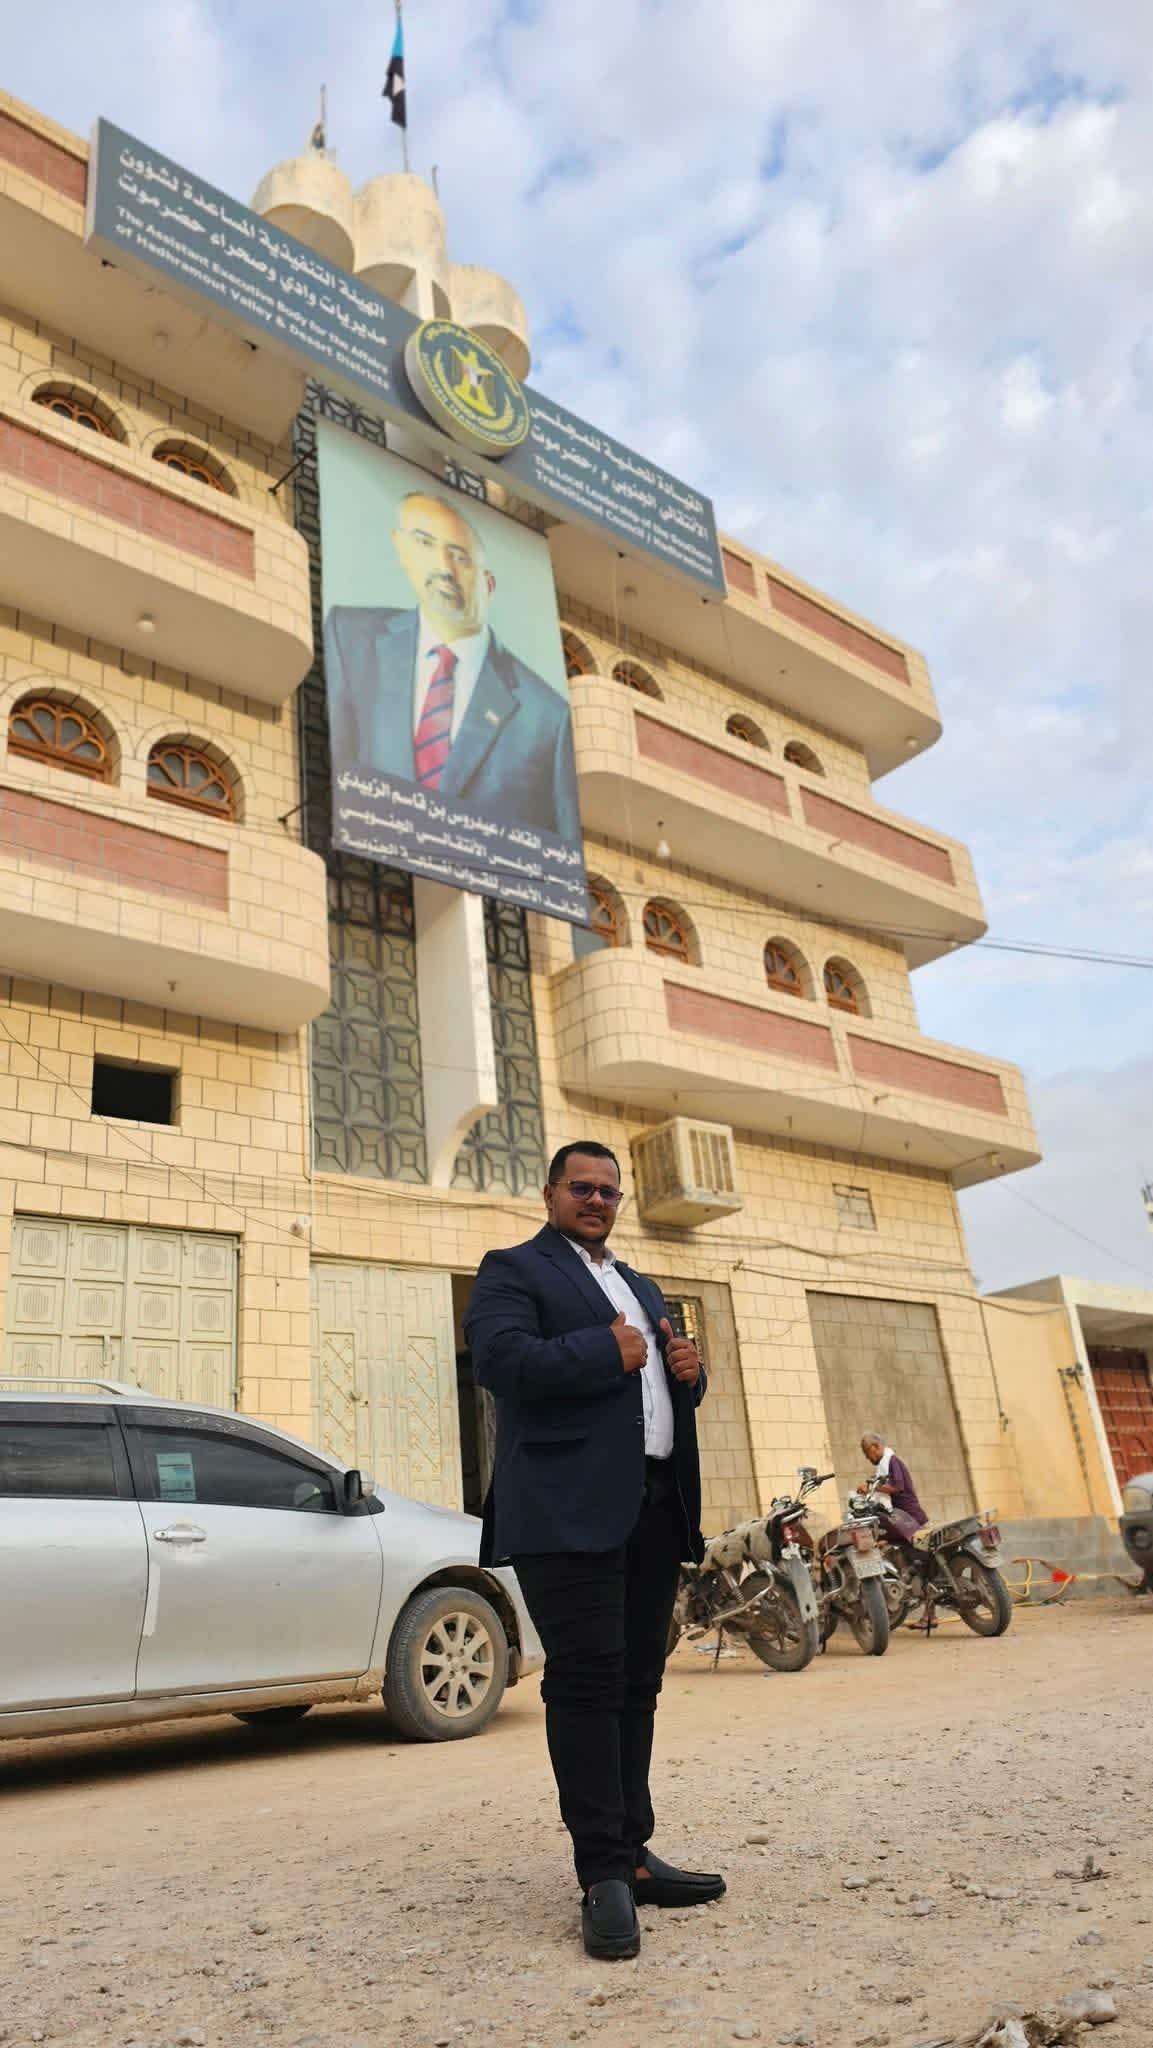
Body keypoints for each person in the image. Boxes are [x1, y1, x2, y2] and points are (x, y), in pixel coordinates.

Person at [464, 1141, 725, 1962]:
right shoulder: (514, 1269)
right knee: (586, 1683)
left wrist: (688, 1374)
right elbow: (498, 1361)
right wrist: (600, 1351)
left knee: (638, 1683)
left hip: (651, 1505)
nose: (596, 1199)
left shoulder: (640, 1285)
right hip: (564, 1510)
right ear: (550, 1193)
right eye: (581, 1187)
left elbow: (653, 1389)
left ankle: (634, 1852)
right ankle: (601, 1873)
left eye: (609, 1191)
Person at [324, 489, 580, 841]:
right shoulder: (351, 638)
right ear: (401, 548)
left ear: (488, 584)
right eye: (426, 544)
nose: (444, 569)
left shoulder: (547, 716)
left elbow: (562, 847)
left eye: (460, 558)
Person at [860, 1432, 929, 1543]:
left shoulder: (892, 1461)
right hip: (901, 1520)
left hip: (910, 1519)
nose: (867, 1457)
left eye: (867, 1452)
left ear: (875, 1447)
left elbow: (897, 1487)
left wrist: (872, 1487)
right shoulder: (885, 1465)